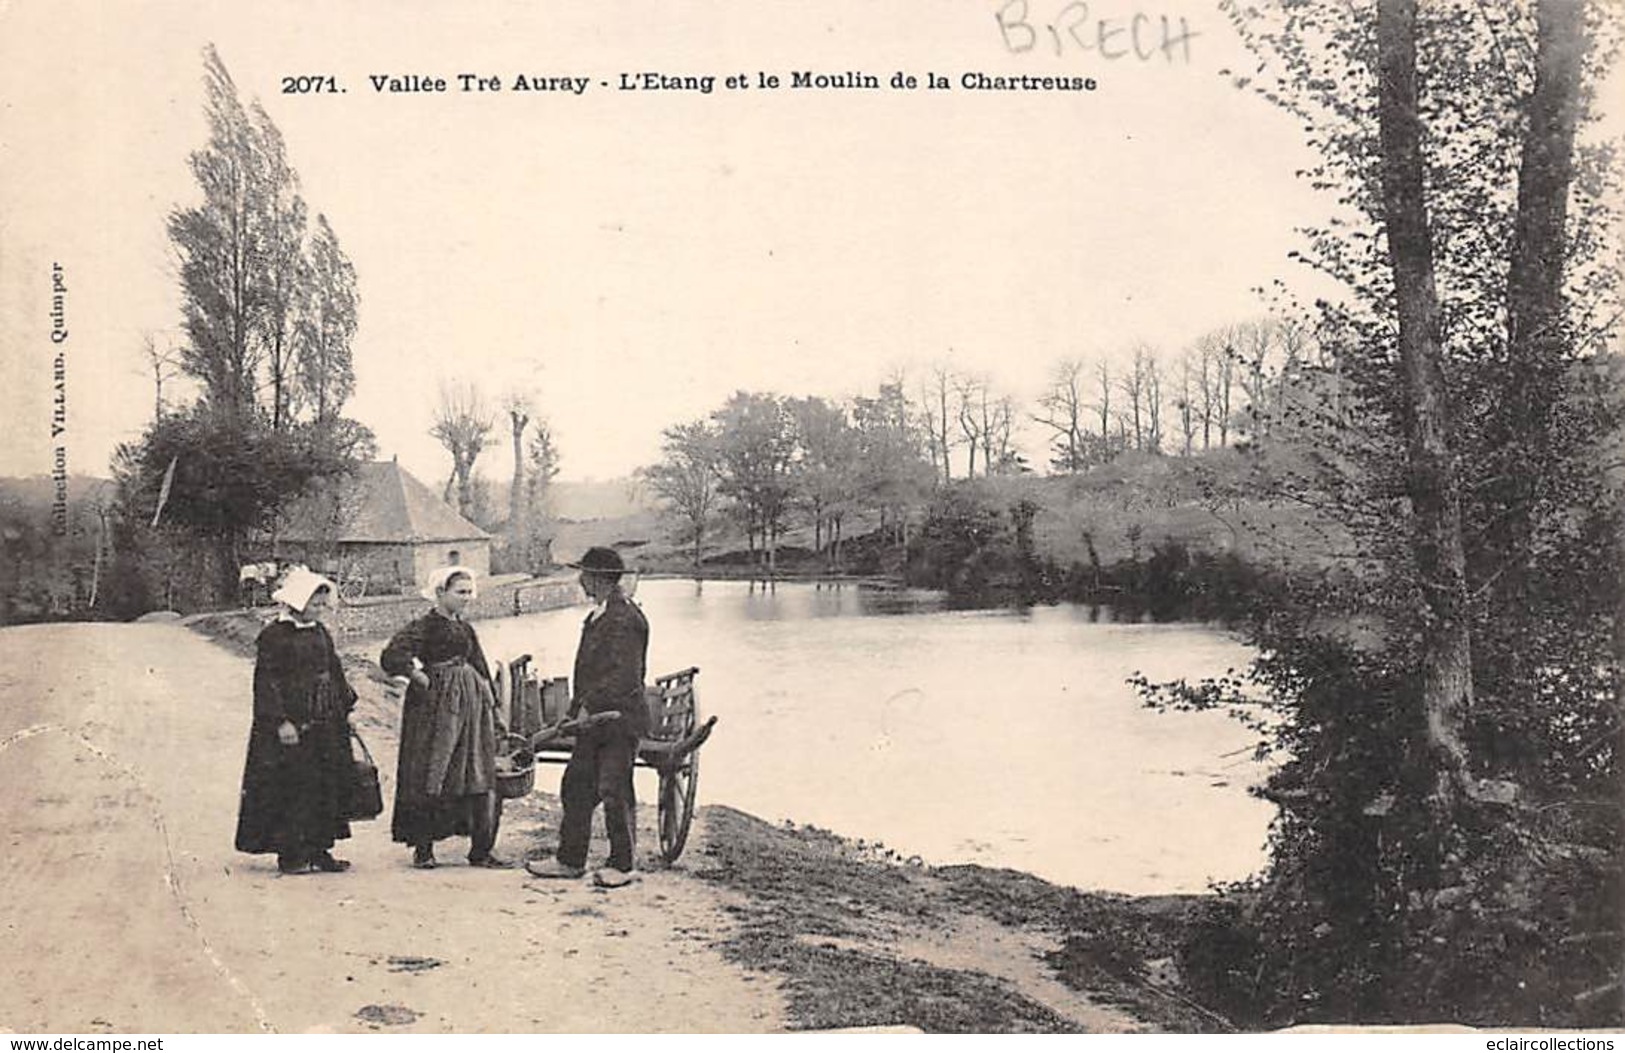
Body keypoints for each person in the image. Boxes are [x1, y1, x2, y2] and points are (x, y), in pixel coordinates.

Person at [526, 547, 649, 888]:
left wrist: (589, 706)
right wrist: (573, 711)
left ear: (600, 579)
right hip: (593, 722)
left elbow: (623, 676)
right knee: (577, 787)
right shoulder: (599, 615)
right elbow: (588, 673)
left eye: (584, 574)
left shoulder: (626, 619)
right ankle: (569, 861)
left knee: (614, 789)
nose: (579, 580)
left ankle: (623, 866)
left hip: (619, 720)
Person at [381, 565, 514, 870]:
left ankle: (481, 850)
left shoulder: (466, 629)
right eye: (461, 592)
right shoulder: (424, 625)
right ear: (441, 593)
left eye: (470, 592)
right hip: (435, 710)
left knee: (477, 770)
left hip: (471, 709)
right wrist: (417, 675)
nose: (467, 598)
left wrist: (493, 709)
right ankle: (424, 850)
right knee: (432, 770)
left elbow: (480, 668)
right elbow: (391, 656)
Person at [234, 567, 358, 875]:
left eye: (321, 604)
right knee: (293, 786)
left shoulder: (320, 632)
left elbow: (335, 672)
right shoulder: (275, 636)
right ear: (296, 601)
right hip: (292, 723)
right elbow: (267, 682)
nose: (319, 609)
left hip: (325, 721)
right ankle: (291, 853)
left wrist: (345, 711)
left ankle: (320, 849)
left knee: (325, 784)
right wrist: (280, 721)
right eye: (314, 603)